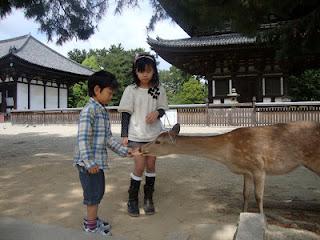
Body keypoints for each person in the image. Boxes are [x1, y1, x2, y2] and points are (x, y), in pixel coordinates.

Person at [73, 70, 139, 236]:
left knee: (98, 192)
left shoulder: (102, 110)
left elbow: (108, 139)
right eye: (109, 93)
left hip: (97, 163)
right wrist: (89, 163)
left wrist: (126, 151)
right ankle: (90, 226)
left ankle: (92, 219)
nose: (111, 97)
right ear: (97, 90)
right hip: (89, 165)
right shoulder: (89, 111)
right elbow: (83, 139)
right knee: (93, 196)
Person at [118, 53, 169, 217]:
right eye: (141, 71)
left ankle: (148, 198)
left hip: (153, 135)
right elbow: (125, 112)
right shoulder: (131, 90)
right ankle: (132, 199)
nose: (145, 74)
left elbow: (162, 107)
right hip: (135, 135)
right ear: (136, 72)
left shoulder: (157, 89)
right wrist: (124, 134)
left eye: (148, 70)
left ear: (154, 71)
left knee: (151, 165)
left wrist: (157, 113)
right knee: (139, 166)